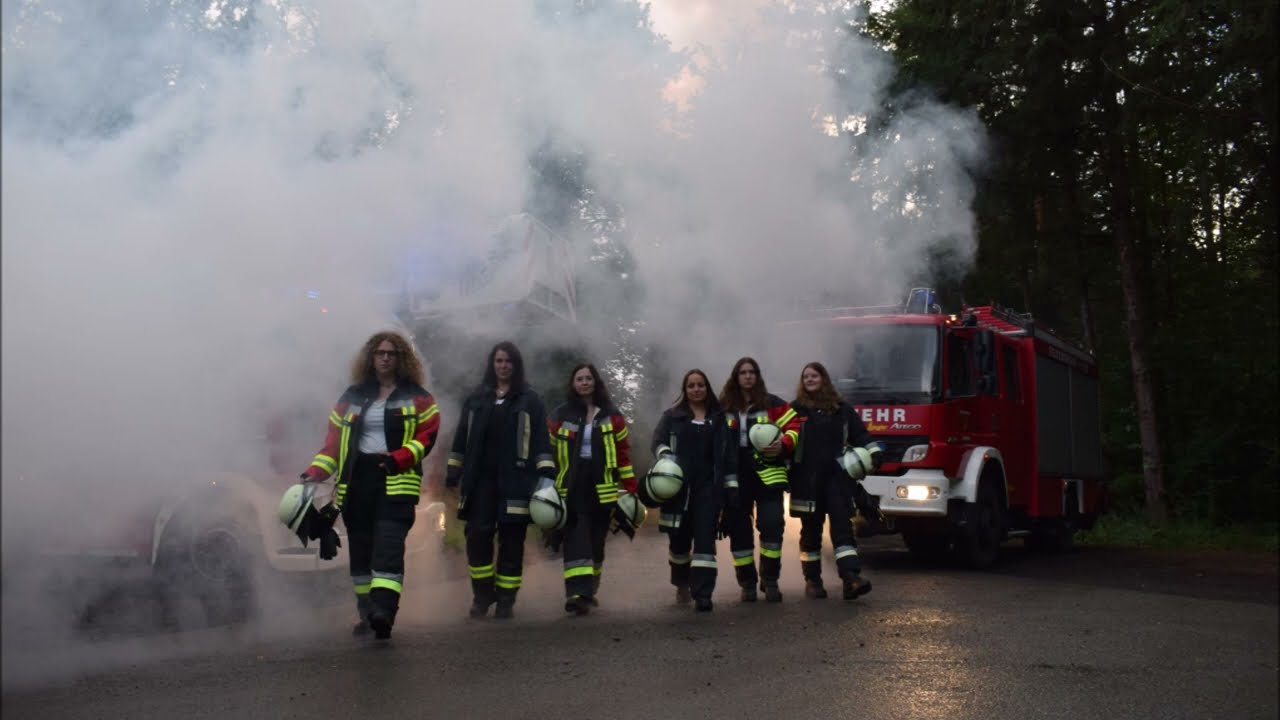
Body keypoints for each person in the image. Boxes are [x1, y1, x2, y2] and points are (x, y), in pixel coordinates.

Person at [299, 331, 441, 639]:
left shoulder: (418, 397)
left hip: (395, 480)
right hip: (357, 482)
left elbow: (426, 438)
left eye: (392, 353)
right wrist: (313, 474)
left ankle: (384, 613)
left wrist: (399, 458)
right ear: (370, 358)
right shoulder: (351, 397)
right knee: (361, 552)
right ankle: (366, 613)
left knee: (388, 549)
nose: (386, 357)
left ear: (402, 358)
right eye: (380, 353)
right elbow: (333, 447)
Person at [446, 341, 555, 620]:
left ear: (516, 366)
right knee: (477, 536)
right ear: (492, 365)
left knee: (512, 539)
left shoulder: (530, 400)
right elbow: (461, 437)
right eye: (499, 361)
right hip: (480, 480)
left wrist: (545, 474)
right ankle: (482, 595)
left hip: (516, 480)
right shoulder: (476, 400)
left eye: (508, 361)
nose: (503, 366)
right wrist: (454, 470)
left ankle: (506, 598)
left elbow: (541, 438)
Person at [547, 363, 638, 615]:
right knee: (577, 537)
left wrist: (630, 486)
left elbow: (622, 453)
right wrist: (546, 482)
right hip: (572, 485)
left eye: (588, 378)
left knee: (596, 542)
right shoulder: (560, 415)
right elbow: (548, 451)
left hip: (603, 487)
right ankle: (577, 593)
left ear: (595, 382)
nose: (584, 382)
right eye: (579, 379)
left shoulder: (612, 415)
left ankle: (590, 587)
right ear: (573, 384)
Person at [650, 369, 737, 612]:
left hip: (708, 490)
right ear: (685, 390)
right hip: (678, 490)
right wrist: (665, 457)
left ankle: (703, 594)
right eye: (691, 386)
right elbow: (657, 441)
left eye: (700, 385)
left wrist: (731, 488)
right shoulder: (672, 417)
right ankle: (681, 583)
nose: (696, 389)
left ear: (707, 388)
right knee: (679, 543)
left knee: (705, 542)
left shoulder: (720, 419)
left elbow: (729, 456)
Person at [718, 357, 801, 602]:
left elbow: (794, 426)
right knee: (739, 530)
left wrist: (784, 444)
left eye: (751, 372)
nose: (747, 376)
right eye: (742, 372)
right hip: (735, 476)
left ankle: (770, 580)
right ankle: (747, 584)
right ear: (736, 377)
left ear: (757, 376)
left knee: (773, 525)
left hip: (768, 474)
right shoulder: (723, 407)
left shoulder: (773, 404)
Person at [789, 362, 874, 600]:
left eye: (814, 375)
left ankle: (851, 578)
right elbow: (784, 440)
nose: (810, 379)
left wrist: (873, 452)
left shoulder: (841, 409)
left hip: (837, 479)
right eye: (805, 376)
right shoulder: (795, 410)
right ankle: (813, 581)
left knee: (842, 529)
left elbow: (861, 434)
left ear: (824, 379)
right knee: (810, 531)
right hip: (806, 480)